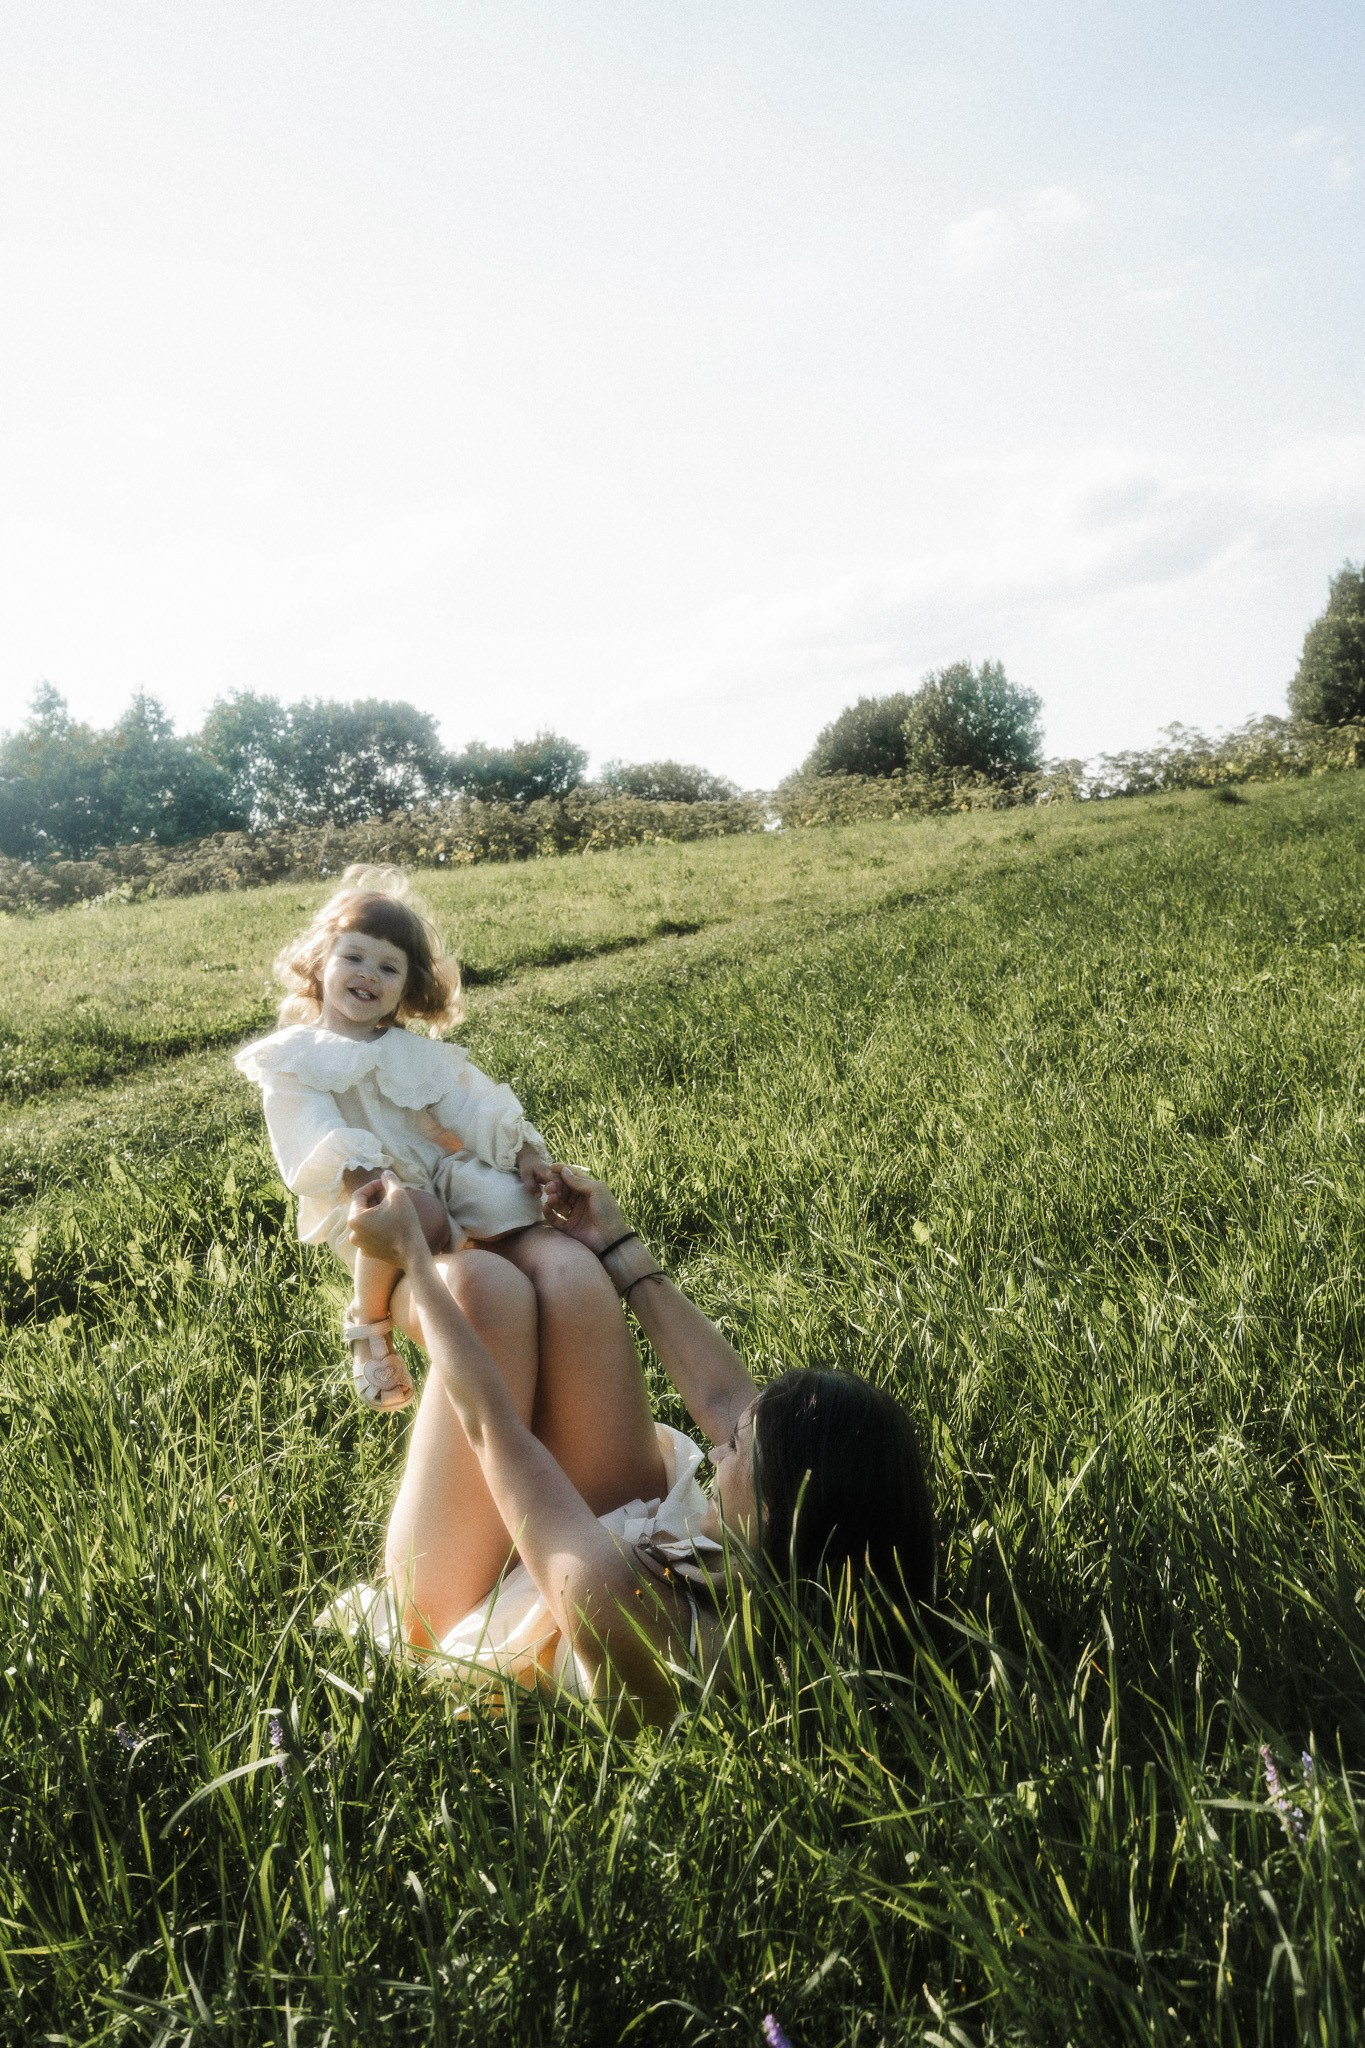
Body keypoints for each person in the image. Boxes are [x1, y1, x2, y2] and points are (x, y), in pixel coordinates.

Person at [333, 1163, 937, 1718]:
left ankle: (380, 1285)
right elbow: (728, 1402)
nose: (720, 1448)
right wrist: (614, 1244)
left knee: (485, 1297)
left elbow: (494, 1430)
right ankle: (470, 1227)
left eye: (738, 1451)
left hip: (465, 1610)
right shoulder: (782, 1576)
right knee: (572, 1272)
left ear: (781, 1514)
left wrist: (412, 1252)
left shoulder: (643, 1620)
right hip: (594, 1533)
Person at [234, 865, 604, 1412]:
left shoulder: (417, 1055)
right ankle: (369, 1324)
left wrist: (522, 1150)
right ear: (321, 963)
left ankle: (511, 1284)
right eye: (353, 957)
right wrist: (362, 1175)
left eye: (389, 967)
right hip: (364, 1196)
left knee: (510, 1198)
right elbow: (309, 1125)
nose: (368, 975)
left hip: (440, 1173)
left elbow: (468, 1102)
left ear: (407, 988)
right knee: (415, 1213)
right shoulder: (294, 1056)